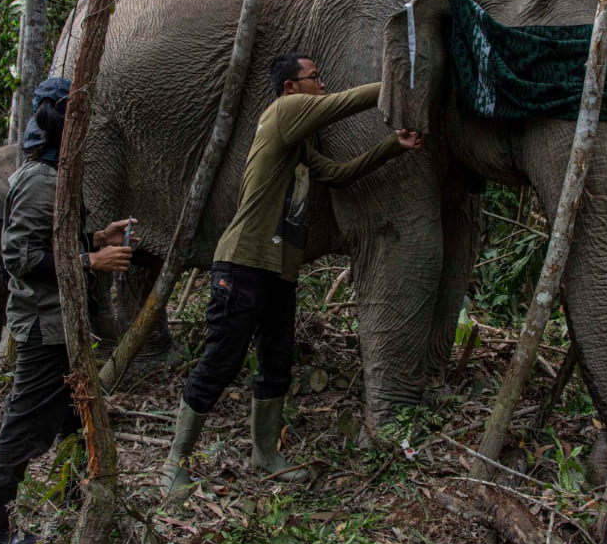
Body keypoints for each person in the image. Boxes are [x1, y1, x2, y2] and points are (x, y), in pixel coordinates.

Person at [161, 54, 422, 497]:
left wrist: (393, 146)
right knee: (220, 362)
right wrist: (395, 86)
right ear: (290, 88)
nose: (322, 85)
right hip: (242, 264)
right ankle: (175, 463)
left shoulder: (297, 146)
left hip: (278, 271)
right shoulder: (282, 112)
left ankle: (265, 455)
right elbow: (342, 104)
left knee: (277, 363)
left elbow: (338, 175)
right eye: (314, 78)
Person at [0, 77, 137, 544]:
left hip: (61, 322)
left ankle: (72, 497)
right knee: (26, 420)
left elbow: (52, 242)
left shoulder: (53, 175)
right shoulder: (38, 180)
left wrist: (97, 239)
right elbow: (21, 257)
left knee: (72, 414)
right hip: (43, 324)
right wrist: (92, 261)